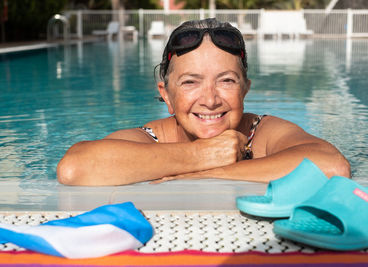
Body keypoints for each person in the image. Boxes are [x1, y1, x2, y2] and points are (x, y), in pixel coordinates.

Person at [57, 18, 350, 186]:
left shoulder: (260, 133)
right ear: (166, 95)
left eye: (226, 81)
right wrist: (199, 155)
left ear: (245, 90)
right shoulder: (149, 139)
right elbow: (74, 167)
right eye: (190, 82)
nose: (210, 100)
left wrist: (209, 172)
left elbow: (332, 166)